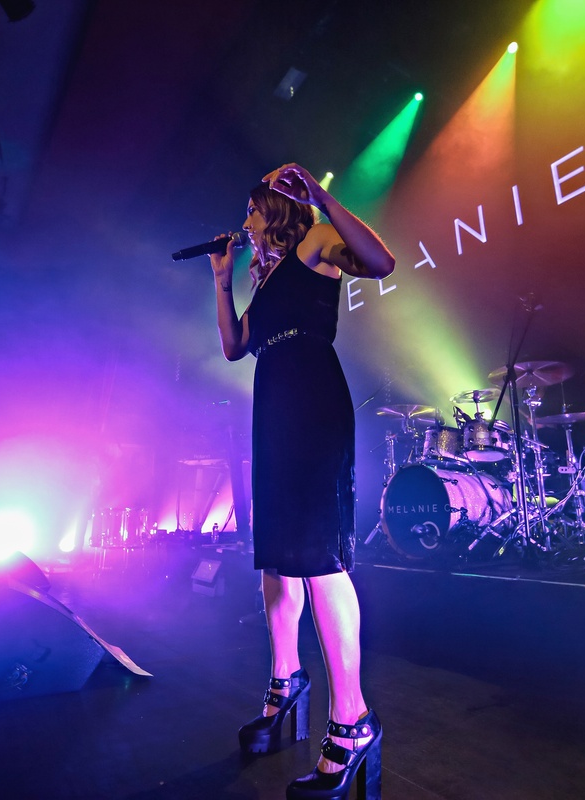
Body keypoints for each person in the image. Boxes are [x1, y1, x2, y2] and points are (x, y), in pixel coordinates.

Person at [209, 163, 395, 799]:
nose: (245, 222)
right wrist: (222, 281)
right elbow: (234, 346)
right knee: (278, 558)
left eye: (253, 209)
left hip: (313, 399)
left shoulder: (315, 241)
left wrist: (319, 195)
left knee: (318, 557)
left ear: (277, 208)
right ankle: (285, 682)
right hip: (273, 404)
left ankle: (352, 721)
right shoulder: (263, 282)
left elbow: (381, 263)